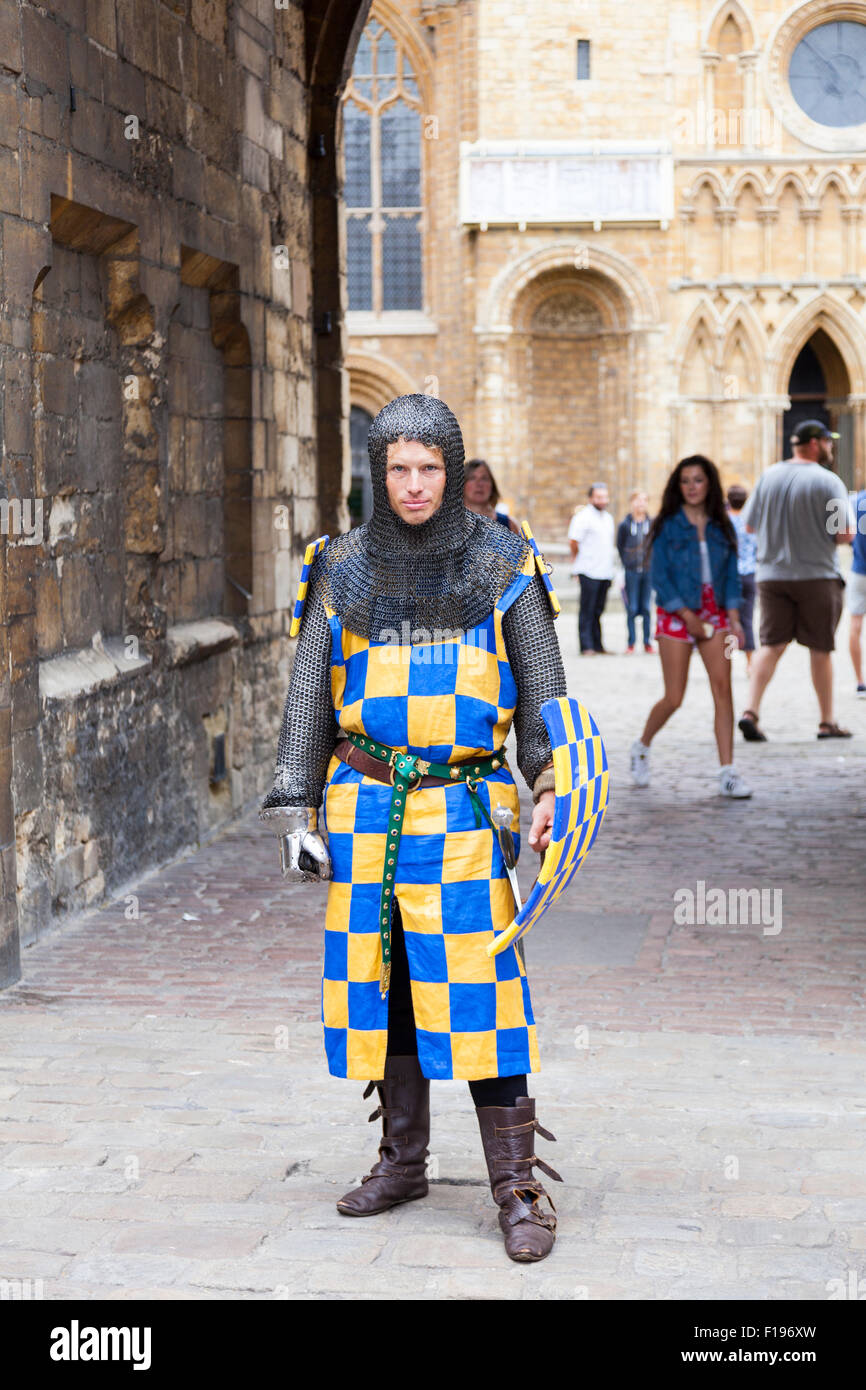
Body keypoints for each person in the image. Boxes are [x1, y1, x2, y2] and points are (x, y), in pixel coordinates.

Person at [260, 394, 570, 1262]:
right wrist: (297, 802)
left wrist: (548, 781)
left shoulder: (505, 563)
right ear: (377, 472)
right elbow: (308, 694)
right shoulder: (341, 566)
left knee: (479, 992)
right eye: (398, 468)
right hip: (365, 805)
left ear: (455, 469)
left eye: (429, 468)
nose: (414, 484)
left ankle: (516, 1188)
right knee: (385, 984)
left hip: (462, 810)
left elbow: (543, 694)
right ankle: (403, 1161)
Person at [630, 455, 751, 799]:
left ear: (709, 483)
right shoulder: (668, 525)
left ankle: (728, 772)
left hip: (717, 616)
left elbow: (730, 577)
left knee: (724, 689)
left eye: (698, 480)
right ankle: (641, 746)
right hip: (676, 614)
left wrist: (735, 619)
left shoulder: (722, 525)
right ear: (677, 486)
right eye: (685, 481)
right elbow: (660, 579)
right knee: (674, 696)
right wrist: (688, 617)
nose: (692, 487)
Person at [737, 420, 855, 742]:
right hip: (817, 576)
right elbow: (844, 533)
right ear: (815, 444)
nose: (831, 447)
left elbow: (749, 526)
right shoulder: (828, 482)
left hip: (772, 577)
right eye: (828, 442)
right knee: (820, 647)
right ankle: (827, 722)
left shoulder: (768, 477)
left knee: (771, 645)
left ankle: (750, 711)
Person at [569, 483, 616, 655]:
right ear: (591, 498)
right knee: (587, 610)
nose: (602, 500)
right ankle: (586, 646)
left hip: (605, 571)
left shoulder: (608, 518)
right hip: (588, 570)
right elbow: (574, 541)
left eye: (605, 497)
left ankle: (598, 645)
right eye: (599, 497)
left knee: (598, 610)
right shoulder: (583, 517)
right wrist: (578, 561)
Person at [617, 490, 653, 653]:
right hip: (631, 571)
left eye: (644, 500)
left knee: (646, 608)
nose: (640, 504)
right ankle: (631, 642)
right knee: (631, 608)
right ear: (632, 503)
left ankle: (647, 642)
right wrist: (627, 562)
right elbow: (620, 545)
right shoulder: (625, 525)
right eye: (637, 500)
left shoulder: (651, 524)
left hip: (647, 571)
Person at [726, 484, 757, 670]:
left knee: (729, 619)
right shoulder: (751, 522)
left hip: (730, 576)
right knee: (747, 618)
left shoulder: (724, 522)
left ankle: (727, 660)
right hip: (749, 574)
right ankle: (750, 663)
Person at [464, 457, 521, 533]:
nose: (479, 484)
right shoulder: (449, 523)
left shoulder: (510, 525)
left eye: (484, 478)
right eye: (472, 478)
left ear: (492, 485)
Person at [848, 486, 866, 696]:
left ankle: (860, 681)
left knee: (855, 626)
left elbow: (845, 534)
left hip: (858, 571)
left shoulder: (854, 501)